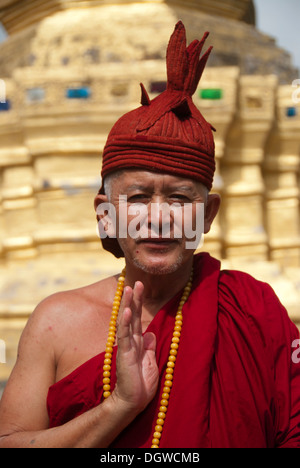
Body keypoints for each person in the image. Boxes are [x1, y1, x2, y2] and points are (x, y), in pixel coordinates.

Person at [0, 21, 299, 449]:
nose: (158, 219)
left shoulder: (255, 314)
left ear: (208, 214)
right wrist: (119, 405)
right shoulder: (55, 323)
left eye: (180, 199)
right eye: (137, 197)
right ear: (105, 215)